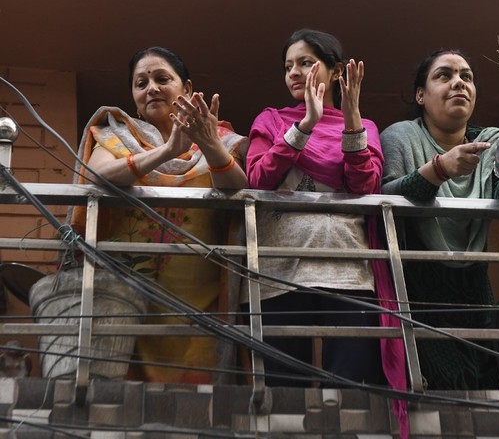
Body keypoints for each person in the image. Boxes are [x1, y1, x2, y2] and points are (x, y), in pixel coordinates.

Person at [71, 46, 248, 384]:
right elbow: (97, 175)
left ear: (187, 88)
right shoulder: (115, 135)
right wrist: (168, 151)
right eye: (141, 83)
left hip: (202, 301)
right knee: (125, 395)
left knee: (200, 398)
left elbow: (238, 187)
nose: (151, 88)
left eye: (162, 79)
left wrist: (209, 144)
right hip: (129, 298)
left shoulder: (220, 137)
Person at [245, 28, 406, 396]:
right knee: (285, 390)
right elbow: (257, 178)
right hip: (279, 269)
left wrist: (351, 120)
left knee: (352, 388)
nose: (294, 73)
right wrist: (305, 125)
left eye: (305, 63)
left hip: (347, 270)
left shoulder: (364, 127)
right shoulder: (271, 120)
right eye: (288, 67)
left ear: (336, 72)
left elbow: (365, 186)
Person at [380, 49, 499, 390]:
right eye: (444, 75)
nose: (458, 83)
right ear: (420, 95)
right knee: (434, 391)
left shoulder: (491, 142)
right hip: (416, 285)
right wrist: (440, 169)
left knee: (489, 387)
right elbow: (385, 198)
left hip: (476, 286)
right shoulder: (400, 136)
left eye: (467, 77)